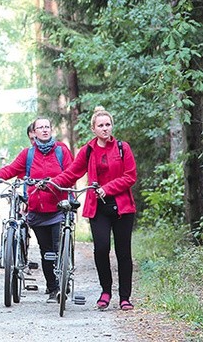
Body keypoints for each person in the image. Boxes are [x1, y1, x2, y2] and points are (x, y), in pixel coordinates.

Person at [0, 117, 73, 303]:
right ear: (33, 133)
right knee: (46, 252)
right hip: (36, 210)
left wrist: (55, 184)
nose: (44, 130)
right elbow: (9, 170)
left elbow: (71, 173)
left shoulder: (61, 151)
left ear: (51, 130)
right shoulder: (28, 154)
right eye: (40, 128)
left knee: (58, 248)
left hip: (58, 209)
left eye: (47, 127)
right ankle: (53, 288)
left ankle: (63, 283)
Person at [50, 106, 137, 311]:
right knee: (101, 249)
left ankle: (125, 297)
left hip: (122, 207)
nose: (105, 129)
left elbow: (130, 176)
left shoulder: (123, 148)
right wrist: (51, 183)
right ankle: (105, 291)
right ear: (94, 129)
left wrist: (107, 188)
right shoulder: (88, 150)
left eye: (108, 125)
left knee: (123, 252)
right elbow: (72, 173)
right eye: (101, 125)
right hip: (98, 208)